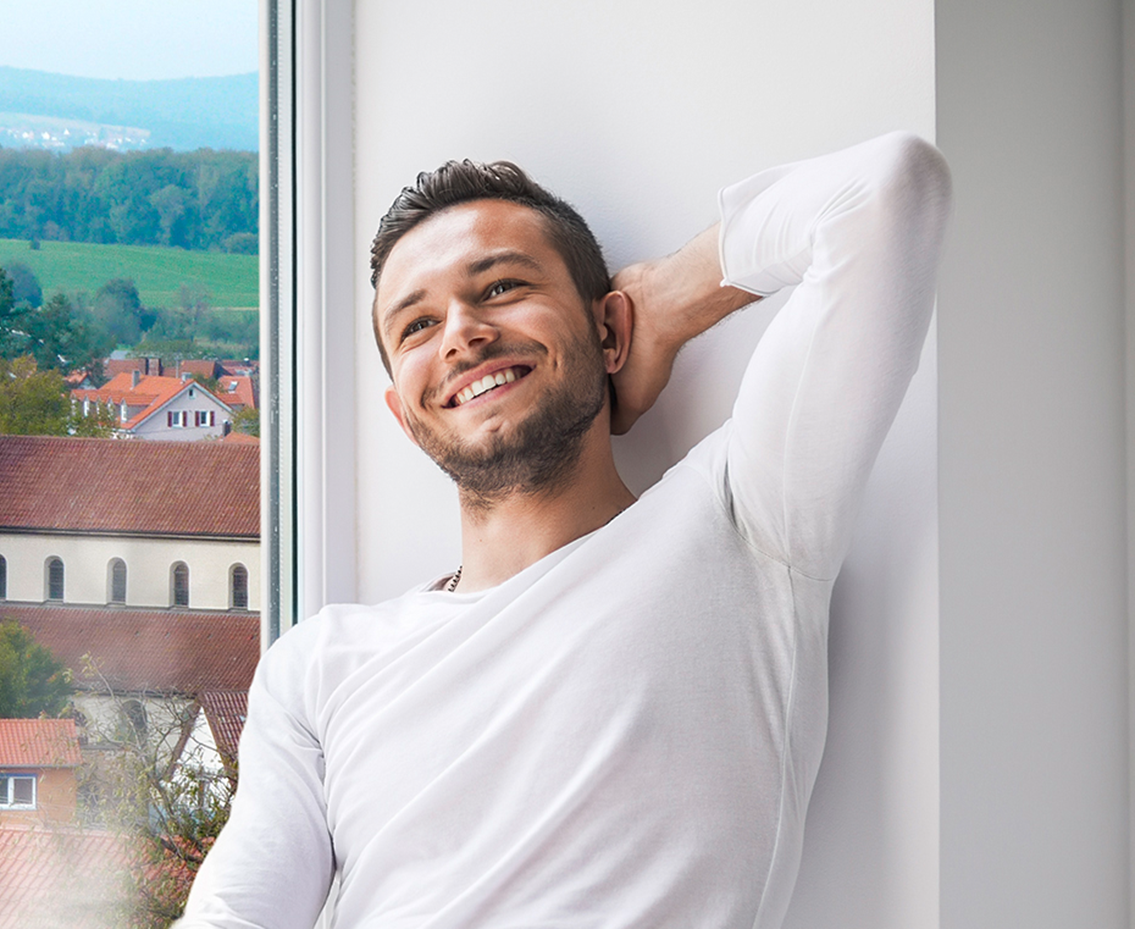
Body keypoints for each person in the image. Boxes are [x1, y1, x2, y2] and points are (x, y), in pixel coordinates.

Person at [177, 132, 951, 928]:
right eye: (416, 326)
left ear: (608, 332)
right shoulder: (320, 666)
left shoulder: (744, 520)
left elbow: (890, 192)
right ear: (405, 418)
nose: (460, 334)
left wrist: (661, 303)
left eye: (502, 286)